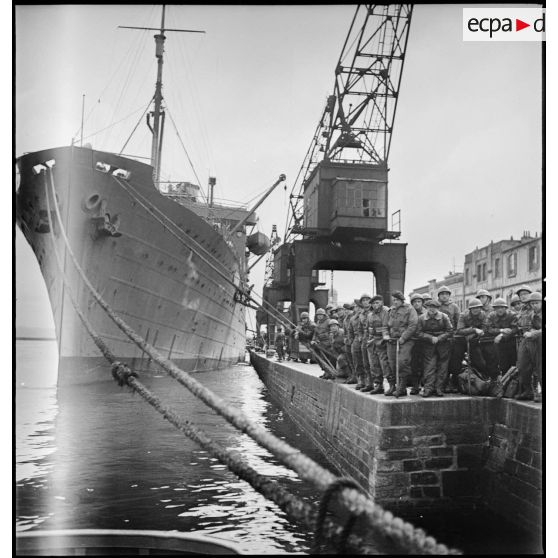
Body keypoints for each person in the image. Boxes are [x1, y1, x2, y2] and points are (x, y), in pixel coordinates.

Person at [383, 291, 418, 397]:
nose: (395, 302)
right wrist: (386, 335)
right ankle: (395, 386)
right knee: (392, 364)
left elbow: (413, 325)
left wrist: (403, 337)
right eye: (393, 300)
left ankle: (402, 387)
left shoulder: (410, 309)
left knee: (402, 363)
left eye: (397, 300)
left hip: (406, 341)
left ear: (402, 300)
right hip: (392, 341)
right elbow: (385, 325)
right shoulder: (390, 310)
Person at [416, 299, 453, 397]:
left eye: (434, 307)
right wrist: (430, 338)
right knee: (429, 367)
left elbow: (450, 331)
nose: (432, 309)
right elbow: (418, 332)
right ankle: (428, 388)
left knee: (443, 368)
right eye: (430, 307)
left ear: (438, 308)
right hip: (428, 346)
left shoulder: (444, 317)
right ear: (426, 308)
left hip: (443, 346)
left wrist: (439, 338)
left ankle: (439, 388)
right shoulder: (421, 318)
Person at [515, 291, 543, 401]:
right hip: (531, 340)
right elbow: (531, 326)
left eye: (536, 303)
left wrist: (533, 333)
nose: (534, 305)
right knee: (522, 366)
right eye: (532, 303)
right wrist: (530, 332)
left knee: (541, 367)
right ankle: (528, 391)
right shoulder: (532, 314)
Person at [483, 298, 518, 376]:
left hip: (511, 343)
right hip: (497, 344)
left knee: (513, 365)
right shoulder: (491, 315)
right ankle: (503, 383)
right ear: (494, 309)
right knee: (502, 366)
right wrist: (501, 330)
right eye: (497, 308)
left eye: (502, 307)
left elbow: (515, 329)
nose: (500, 310)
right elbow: (488, 329)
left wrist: (501, 335)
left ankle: (513, 385)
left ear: (506, 308)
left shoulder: (512, 315)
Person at [455, 298, 488, 376]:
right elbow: (459, 330)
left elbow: (485, 328)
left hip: (474, 341)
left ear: (481, 308)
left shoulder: (483, 314)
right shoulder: (463, 315)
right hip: (460, 341)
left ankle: (481, 380)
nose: (476, 310)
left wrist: (475, 333)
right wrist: (474, 330)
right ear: (470, 309)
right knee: (455, 362)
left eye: (478, 308)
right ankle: (455, 381)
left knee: (480, 362)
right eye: (473, 308)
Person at [366, 295, 392, 395]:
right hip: (373, 341)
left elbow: (386, 326)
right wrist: (369, 339)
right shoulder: (370, 315)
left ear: (381, 303)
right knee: (374, 364)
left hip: (383, 341)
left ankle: (391, 385)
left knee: (385, 364)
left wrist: (384, 337)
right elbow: (369, 328)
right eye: (373, 303)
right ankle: (378, 385)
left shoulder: (386, 311)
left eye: (377, 303)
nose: (375, 305)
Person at [437, 286, 461, 393]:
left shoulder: (454, 307)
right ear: (439, 296)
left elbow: (458, 321)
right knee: (442, 362)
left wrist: (455, 334)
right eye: (442, 294)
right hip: (440, 338)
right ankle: (443, 384)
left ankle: (454, 383)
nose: (444, 296)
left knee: (454, 362)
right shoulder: (436, 306)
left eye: (446, 294)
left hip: (452, 338)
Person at [409, 293, 426, 394]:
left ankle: (425, 385)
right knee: (414, 364)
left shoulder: (426, 313)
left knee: (425, 364)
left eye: (419, 301)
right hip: (413, 341)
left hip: (424, 341)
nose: (417, 304)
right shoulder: (409, 313)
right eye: (414, 302)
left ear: (422, 303)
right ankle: (415, 386)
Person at [358, 293, 374, 392]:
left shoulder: (374, 311)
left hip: (373, 338)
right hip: (365, 338)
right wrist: (360, 337)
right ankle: (369, 383)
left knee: (374, 362)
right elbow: (360, 328)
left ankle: (377, 383)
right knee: (365, 362)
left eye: (367, 300)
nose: (365, 302)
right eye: (363, 300)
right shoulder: (361, 314)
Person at [311, 308, 334, 378]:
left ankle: (329, 372)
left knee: (325, 358)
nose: (319, 316)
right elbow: (315, 333)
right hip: (320, 343)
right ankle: (325, 371)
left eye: (321, 315)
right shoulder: (318, 322)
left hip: (327, 343)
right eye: (318, 315)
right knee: (317, 356)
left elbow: (332, 332)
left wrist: (322, 336)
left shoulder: (329, 321)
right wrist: (314, 339)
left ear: (324, 315)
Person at [348, 300, 365, 390]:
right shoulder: (352, 319)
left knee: (366, 361)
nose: (357, 309)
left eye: (359, 307)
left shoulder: (366, 316)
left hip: (365, 338)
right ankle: (360, 379)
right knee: (357, 361)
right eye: (356, 307)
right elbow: (350, 331)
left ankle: (368, 380)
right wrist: (351, 340)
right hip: (356, 340)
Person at [341, 303, 357, 383]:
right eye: (345, 310)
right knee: (349, 360)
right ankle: (352, 375)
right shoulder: (345, 320)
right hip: (348, 342)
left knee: (355, 360)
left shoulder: (354, 318)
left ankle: (356, 376)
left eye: (348, 310)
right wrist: (345, 338)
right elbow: (345, 332)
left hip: (353, 341)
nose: (347, 311)